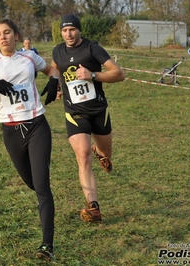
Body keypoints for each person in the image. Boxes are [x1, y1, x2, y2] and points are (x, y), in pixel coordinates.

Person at [0, 18, 59, 262]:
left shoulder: (29, 57)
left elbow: (51, 69)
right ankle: (45, 202)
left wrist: (53, 79)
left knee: (42, 186)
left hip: (37, 125)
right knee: (31, 183)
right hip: (10, 132)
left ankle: (47, 245)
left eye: (7, 32)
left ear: (16, 36)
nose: (2, 37)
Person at [51, 14, 125, 223]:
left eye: (72, 29)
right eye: (65, 30)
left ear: (79, 30)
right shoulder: (58, 51)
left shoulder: (93, 49)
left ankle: (100, 153)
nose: (69, 34)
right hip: (74, 112)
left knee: (106, 152)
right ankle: (93, 207)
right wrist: (56, 86)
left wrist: (92, 75)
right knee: (83, 156)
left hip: (98, 110)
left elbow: (119, 74)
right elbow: (55, 68)